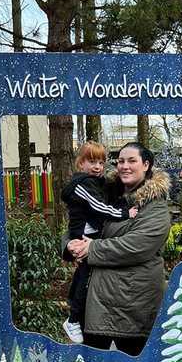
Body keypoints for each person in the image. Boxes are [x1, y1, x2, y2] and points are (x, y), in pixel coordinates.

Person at [67, 142, 171, 356]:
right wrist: (70, 244)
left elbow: (137, 245)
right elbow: (79, 222)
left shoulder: (155, 207)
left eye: (132, 161)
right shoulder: (103, 194)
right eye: (121, 161)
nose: (124, 166)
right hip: (96, 304)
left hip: (132, 304)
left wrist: (91, 249)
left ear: (146, 165)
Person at [61, 141, 138, 344]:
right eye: (92, 161)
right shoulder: (84, 184)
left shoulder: (96, 183)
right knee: (84, 280)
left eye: (101, 163)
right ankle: (73, 319)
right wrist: (125, 213)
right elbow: (99, 207)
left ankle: (74, 317)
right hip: (85, 236)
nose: (97, 167)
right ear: (80, 163)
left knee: (82, 277)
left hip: (91, 238)